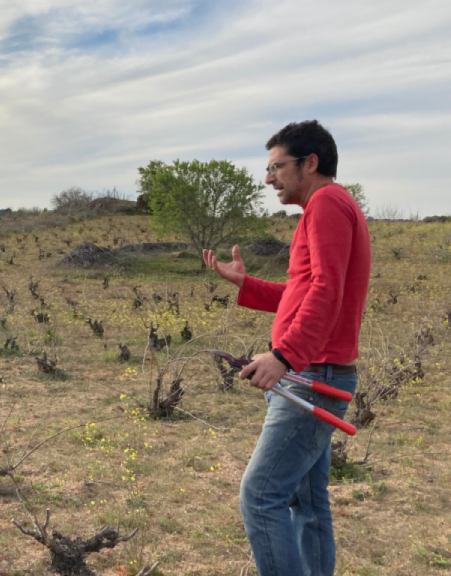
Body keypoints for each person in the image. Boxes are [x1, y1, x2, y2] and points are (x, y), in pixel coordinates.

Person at [203, 120, 369, 576]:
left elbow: (327, 292)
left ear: (309, 163)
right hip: (317, 372)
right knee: (307, 500)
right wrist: (247, 284)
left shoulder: (327, 204)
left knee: (260, 496)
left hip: (313, 376)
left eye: (276, 167)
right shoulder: (329, 205)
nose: (268, 177)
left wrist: (283, 356)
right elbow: (306, 289)